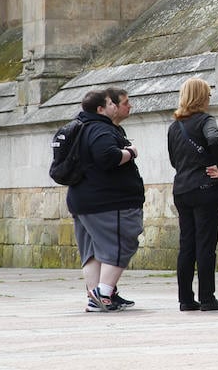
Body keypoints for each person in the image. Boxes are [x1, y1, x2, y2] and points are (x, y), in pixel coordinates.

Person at [67, 88, 145, 312]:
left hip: (82, 199)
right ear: (100, 109)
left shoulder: (80, 127)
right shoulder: (100, 130)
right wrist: (131, 152)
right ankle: (103, 292)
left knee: (92, 250)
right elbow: (106, 156)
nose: (115, 106)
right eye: (111, 103)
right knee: (121, 242)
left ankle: (95, 298)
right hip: (108, 202)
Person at [167, 77, 218, 312]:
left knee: (187, 245)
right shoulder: (206, 120)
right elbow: (214, 138)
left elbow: (174, 159)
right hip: (205, 188)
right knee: (206, 244)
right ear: (202, 97)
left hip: (182, 188)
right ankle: (207, 297)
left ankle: (185, 298)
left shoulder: (174, 126)